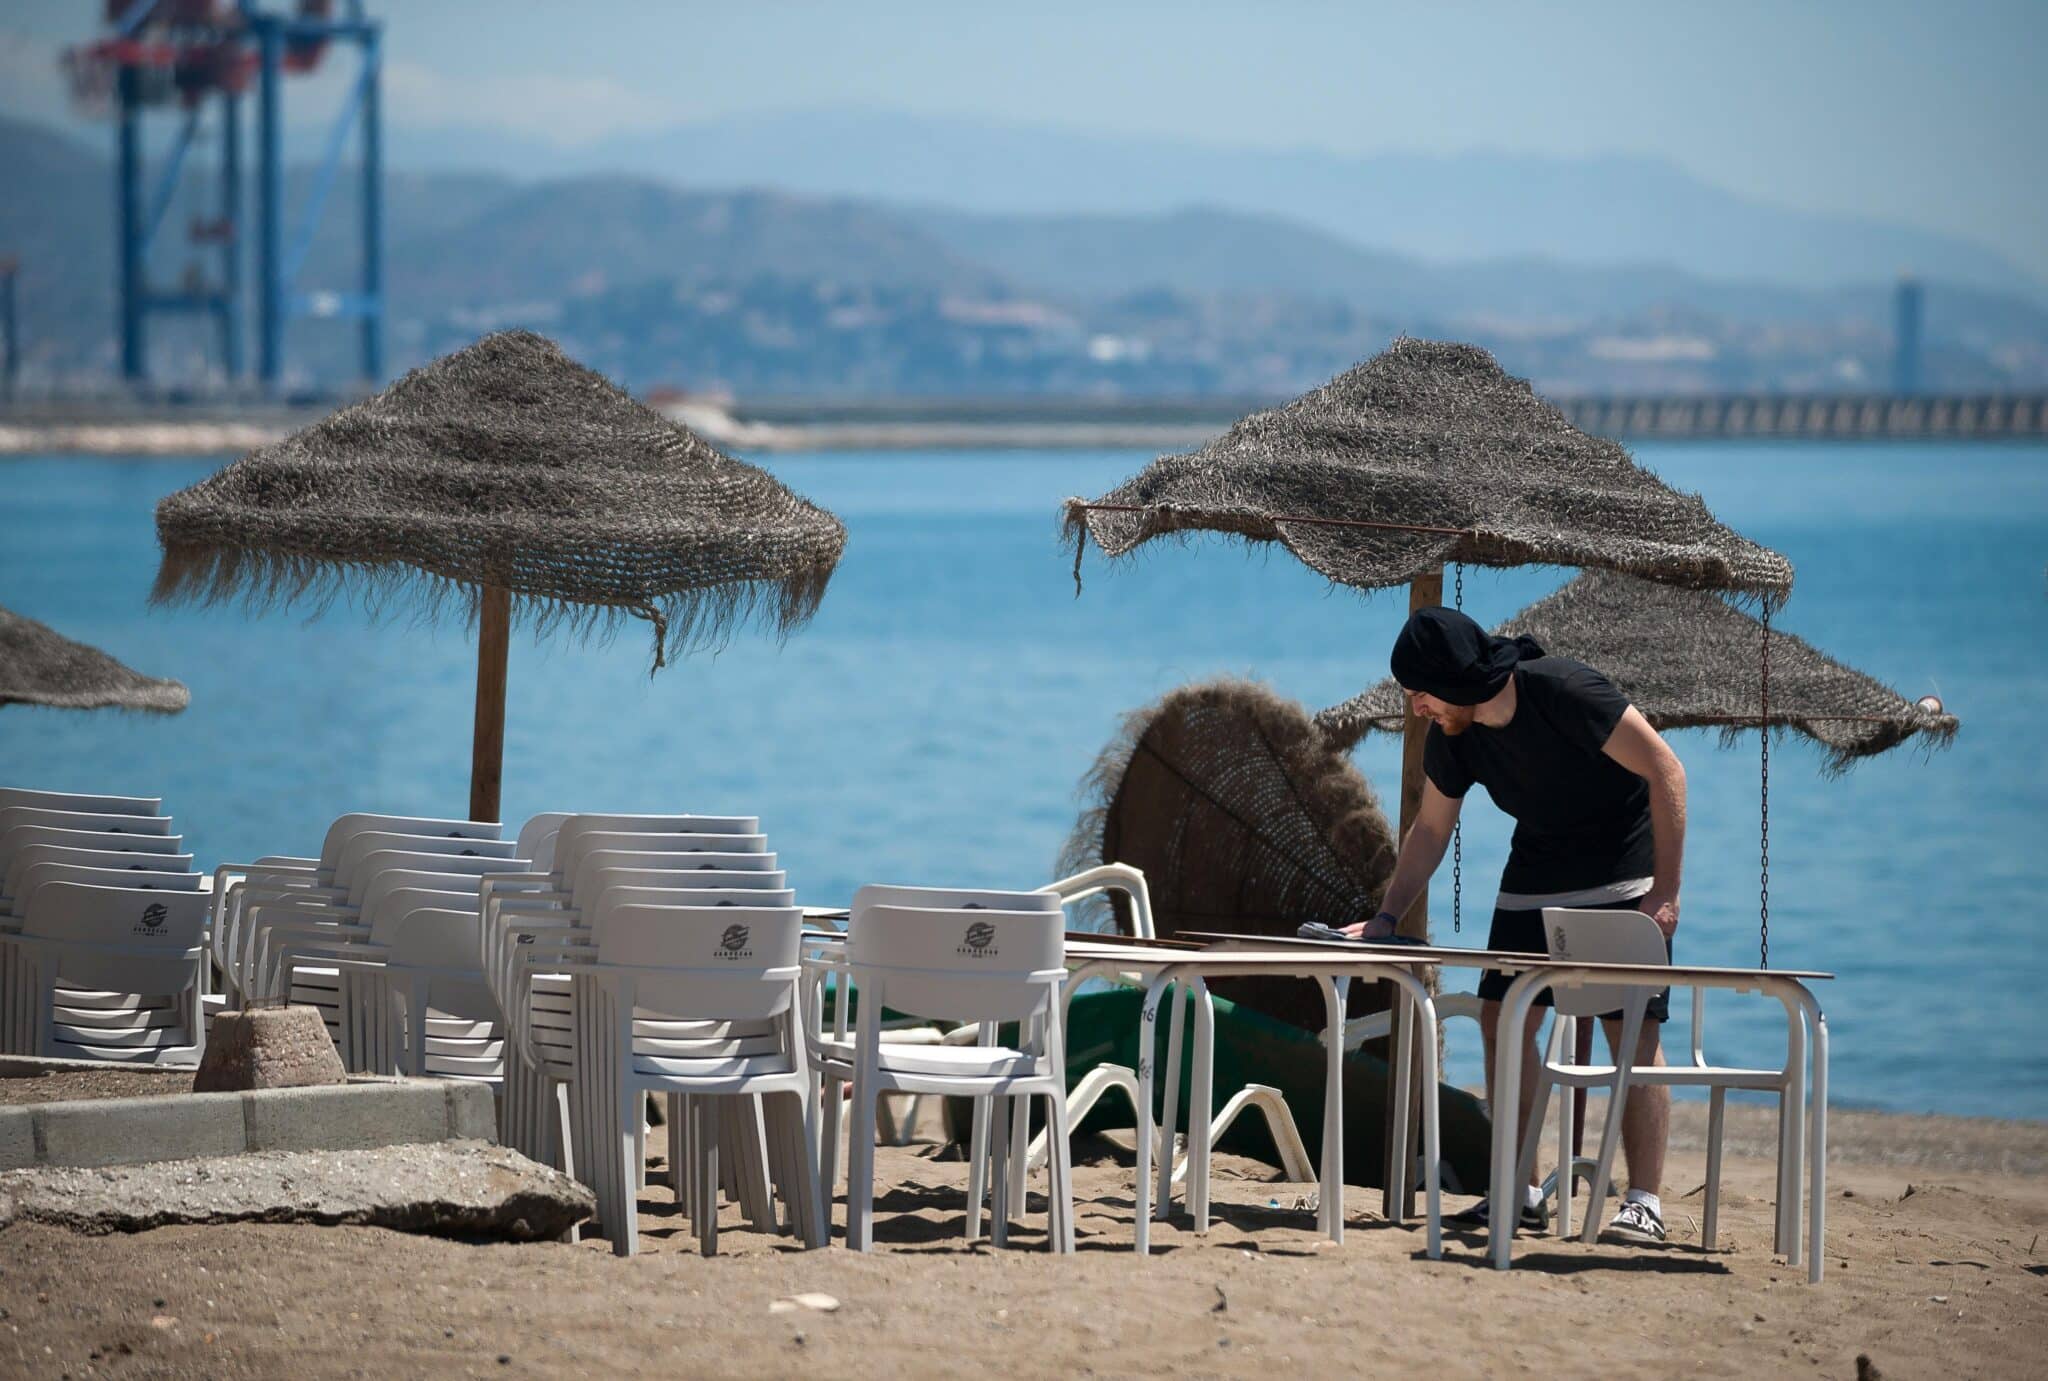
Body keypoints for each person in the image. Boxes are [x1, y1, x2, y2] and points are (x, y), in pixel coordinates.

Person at [1342, 605, 1686, 1245]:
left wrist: (1665, 894)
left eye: (1420, 693)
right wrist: (1385, 917)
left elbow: (1666, 770)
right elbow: (1430, 830)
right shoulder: (1455, 737)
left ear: (1453, 678)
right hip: (1535, 873)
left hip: (1622, 870)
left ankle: (1643, 1202)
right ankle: (1522, 1191)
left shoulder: (1564, 690)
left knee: (1628, 1029)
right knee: (1503, 1020)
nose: (1416, 708)